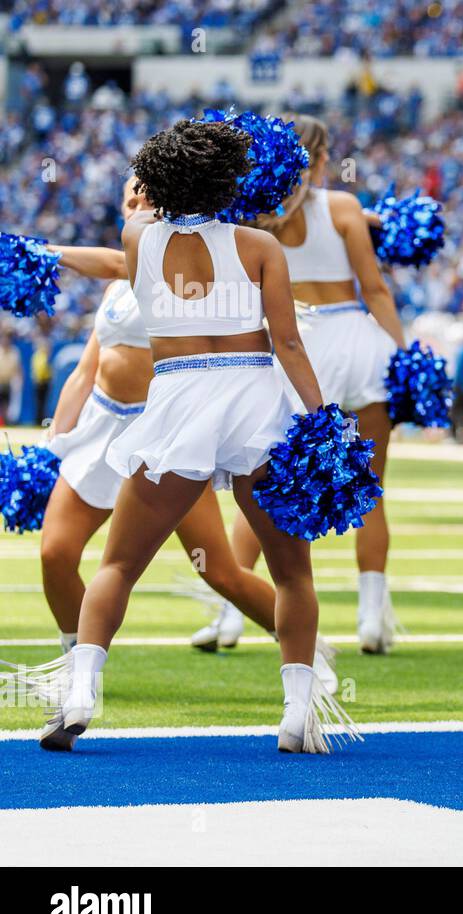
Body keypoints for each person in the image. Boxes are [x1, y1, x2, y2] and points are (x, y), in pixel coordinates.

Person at [9, 119, 343, 754]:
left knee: (118, 564)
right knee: (293, 573)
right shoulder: (260, 247)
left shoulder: (140, 240)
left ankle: (80, 692)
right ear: (229, 181)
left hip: (178, 399)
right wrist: (323, 419)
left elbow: (141, 271)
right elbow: (289, 343)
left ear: (159, 182)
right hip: (254, 400)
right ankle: (298, 712)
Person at [208, 114, 404, 655]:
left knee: (265, 488)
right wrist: (405, 356)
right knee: (371, 487)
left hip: (293, 347)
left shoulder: (252, 219)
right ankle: (371, 621)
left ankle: (231, 613)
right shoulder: (342, 207)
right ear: (321, 160)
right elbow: (375, 290)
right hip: (354, 344)